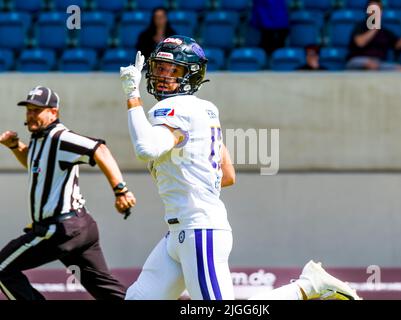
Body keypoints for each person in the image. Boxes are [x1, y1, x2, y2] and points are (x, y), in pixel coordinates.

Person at [119, 35, 361, 300]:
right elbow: (227, 175)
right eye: (159, 69)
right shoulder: (205, 110)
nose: (163, 77)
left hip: (198, 230)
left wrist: (132, 96)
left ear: (192, 74)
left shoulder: (172, 109)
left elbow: (146, 148)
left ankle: (307, 287)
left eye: (173, 70)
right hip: (181, 231)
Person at [0, 86, 136, 300]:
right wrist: (16, 146)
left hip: (61, 229)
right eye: (28, 110)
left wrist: (121, 190)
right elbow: (34, 163)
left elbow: (100, 149)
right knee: (106, 290)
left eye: (37, 110)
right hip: (79, 229)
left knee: (2, 268)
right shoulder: (38, 139)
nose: (31, 115)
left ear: (53, 112)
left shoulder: (60, 138)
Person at [346, 0, 401, 71]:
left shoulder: (385, 32)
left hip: (379, 63)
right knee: (370, 65)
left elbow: (397, 44)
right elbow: (360, 43)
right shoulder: (360, 26)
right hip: (358, 60)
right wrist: (374, 28)